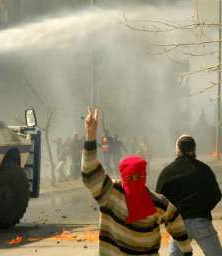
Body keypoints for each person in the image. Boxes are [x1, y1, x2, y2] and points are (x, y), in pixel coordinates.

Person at [82, 107, 192, 256]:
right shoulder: (110, 193)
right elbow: (90, 172)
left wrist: (187, 251)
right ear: (123, 177)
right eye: (131, 178)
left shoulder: (157, 202)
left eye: (139, 177)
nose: (135, 181)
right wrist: (90, 135)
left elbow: (175, 222)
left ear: (145, 176)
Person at [156, 135, 222, 256]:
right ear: (194, 148)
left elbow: (159, 200)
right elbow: (216, 195)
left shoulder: (167, 171)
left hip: (178, 225)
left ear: (178, 149)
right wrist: (202, 210)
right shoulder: (204, 169)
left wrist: (170, 216)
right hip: (201, 222)